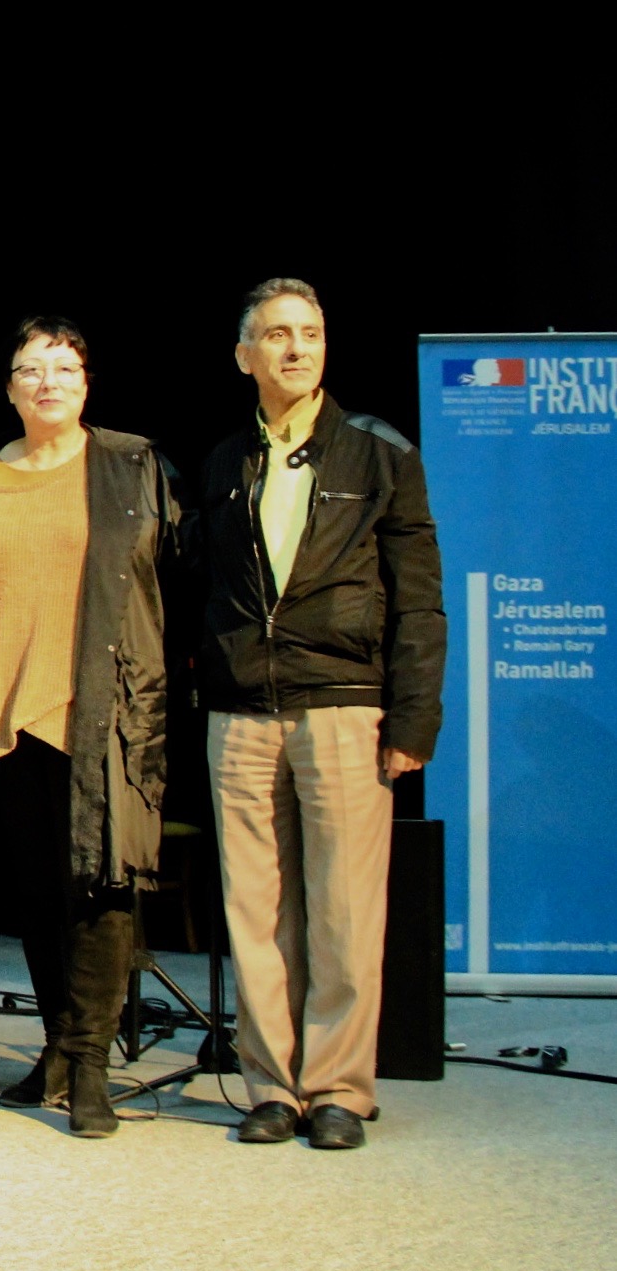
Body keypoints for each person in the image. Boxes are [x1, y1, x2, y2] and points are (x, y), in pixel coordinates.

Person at [199, 277, 444, 1151]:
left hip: (345, 704)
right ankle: (271, 1086)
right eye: (277, 334)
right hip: (242, 711)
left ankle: (339, 1089)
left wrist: (413, 722)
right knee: (257, 911)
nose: (296, 347)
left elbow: (419, 601)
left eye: (310, 332)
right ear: (245, 356)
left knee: (343, 909)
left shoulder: (380, 453)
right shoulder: (224, 462)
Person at [0, 317, 181, 1137]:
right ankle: (58, 1052)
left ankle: (93, 1064)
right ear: (9, 388)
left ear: (87, 384)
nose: (48, 383)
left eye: (65, 369)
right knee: (36, 893)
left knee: (97, 890)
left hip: (93, 711)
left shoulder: (129, 464)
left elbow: (167, 582)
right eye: (32, 370)